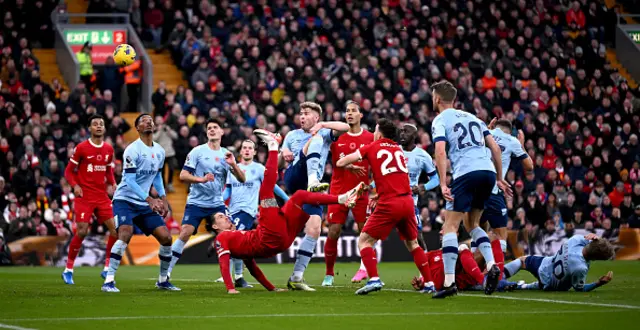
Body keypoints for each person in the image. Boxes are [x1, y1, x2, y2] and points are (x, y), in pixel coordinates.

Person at [212, 129, 365, 293]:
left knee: (299, 195)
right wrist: (230, 288)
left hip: (282, 239)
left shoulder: (239, 242)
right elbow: (223, 263)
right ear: (215, 226)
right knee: (265, 192)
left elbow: (253, 269)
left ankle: (341, 198)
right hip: (268, 236)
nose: (226, 217)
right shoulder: (222, 238)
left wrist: (272, 289)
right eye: (221, 217)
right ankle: (272, 146)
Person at [430, 81, 510, 298]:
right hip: (488, 173)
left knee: (450, 225)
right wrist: (500, 178)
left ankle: (448, 283)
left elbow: (440, 151)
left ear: (437, 99)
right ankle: (492, 264)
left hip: (465, 173)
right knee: (472, 223)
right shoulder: (474, 117)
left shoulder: (440, 120)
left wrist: (444, 183)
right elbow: (494, 148)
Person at [336, 118, 434, 295]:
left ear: (379, 133)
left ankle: (374, 279)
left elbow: (340, 163)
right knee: (413, 244)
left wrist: (350, 165)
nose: (373, 134)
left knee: (364, 240)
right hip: (408, 202)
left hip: (389, 202)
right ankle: (429, 283)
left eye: (374, 130)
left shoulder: (372, 147)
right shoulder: (398, 149)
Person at [102, 113, 179, 293]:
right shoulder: (132, 150)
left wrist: (164, 199)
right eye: (143, 121)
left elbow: (157, 176)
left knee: (166, 238)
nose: (148, 123)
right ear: (137, 128)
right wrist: (149, 199)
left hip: (144, 203)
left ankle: (162, 280)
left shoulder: (160, 151)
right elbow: (129, 180)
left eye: (150, 120)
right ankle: (109, 280)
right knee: (125, 234)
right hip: (125, 200)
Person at [279, 101, 350, 291]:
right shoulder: (292, 135)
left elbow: (346, 127)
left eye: (306, 113)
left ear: (316, 117)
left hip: (312, 190)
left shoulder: (324, 130)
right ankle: (312, 179)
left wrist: (324, 125)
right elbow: (279, 161)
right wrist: (283, 152)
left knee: (315, 228)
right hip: (295, 177)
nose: (302, 116)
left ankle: (296, 276)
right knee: (316, 140)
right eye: (300, 113)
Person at [166, 119, 246, 279]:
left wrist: (234, 165)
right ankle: (165, 272)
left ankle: (236, 277)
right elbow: (183, 175)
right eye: (209, 128)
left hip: (216, 203)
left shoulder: (227, 154)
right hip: (196, 201)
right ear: (206, 132)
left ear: (222, 132)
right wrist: (201, 179)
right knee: (185, 233)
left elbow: (242, 179)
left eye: (215, 127)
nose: (212, 130)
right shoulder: (197, 152)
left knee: (232, 234)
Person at [217, 139, 289, 288]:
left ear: (255, 152)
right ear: (241, 151)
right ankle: (238, 277)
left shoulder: (259, 168)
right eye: (244, 148)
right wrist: (218, 200)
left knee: (235, 238)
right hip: (232, 210)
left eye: (250, 148)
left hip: (248, 211)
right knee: (236, 241)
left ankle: (237, 276)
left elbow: (272, 186)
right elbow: (229, 191)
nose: (247, 150)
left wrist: (287, 199)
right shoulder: (234, 169)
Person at [62, 114, 118, 284]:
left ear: (104, 128)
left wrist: (113, 183)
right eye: (95, 124)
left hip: (101, 196)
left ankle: (107, 267)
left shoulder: (109, 149)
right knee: (82, 231)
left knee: (116, 230)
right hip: (84, 196)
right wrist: (75, 186)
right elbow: (68, 171)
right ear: (90, 128)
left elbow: (108, 171)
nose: (99, 126)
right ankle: (68, 269)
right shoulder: (81, 148)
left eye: (101, 124)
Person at [323, 101, 374, 287]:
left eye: (354, 111)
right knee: (334, 231)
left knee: (364, 232)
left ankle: (364, 268)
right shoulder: (337, 138)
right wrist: (347, 165)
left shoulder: (370, 138)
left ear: (361, 115)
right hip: (338, 191)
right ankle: (329, 274)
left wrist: (374, 186)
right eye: (347, 111)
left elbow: (375, 163)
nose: (350, 114)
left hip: (361, 191)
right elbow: (336, 162)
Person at [477, 119, 533, 276]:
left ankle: (472, 273)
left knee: (478, 231)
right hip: (493, 190)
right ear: (511, 130)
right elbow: (529, 166)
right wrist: (521, 145)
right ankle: (498, 274)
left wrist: (488, 128)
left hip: (475, 190)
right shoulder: (512, 140)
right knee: (501, 234)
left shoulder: (484, 133)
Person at [503, 234, 615, 291]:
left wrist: (596, 237)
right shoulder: (581, 268)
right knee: (542, 285)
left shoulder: (575, 239)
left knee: (523, 261)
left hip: (545, 266)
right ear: (596, 258)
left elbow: (591, 241)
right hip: (552, 285)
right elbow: (579, 289)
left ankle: (499, 277)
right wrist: (598, 283)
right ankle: (523, 286)